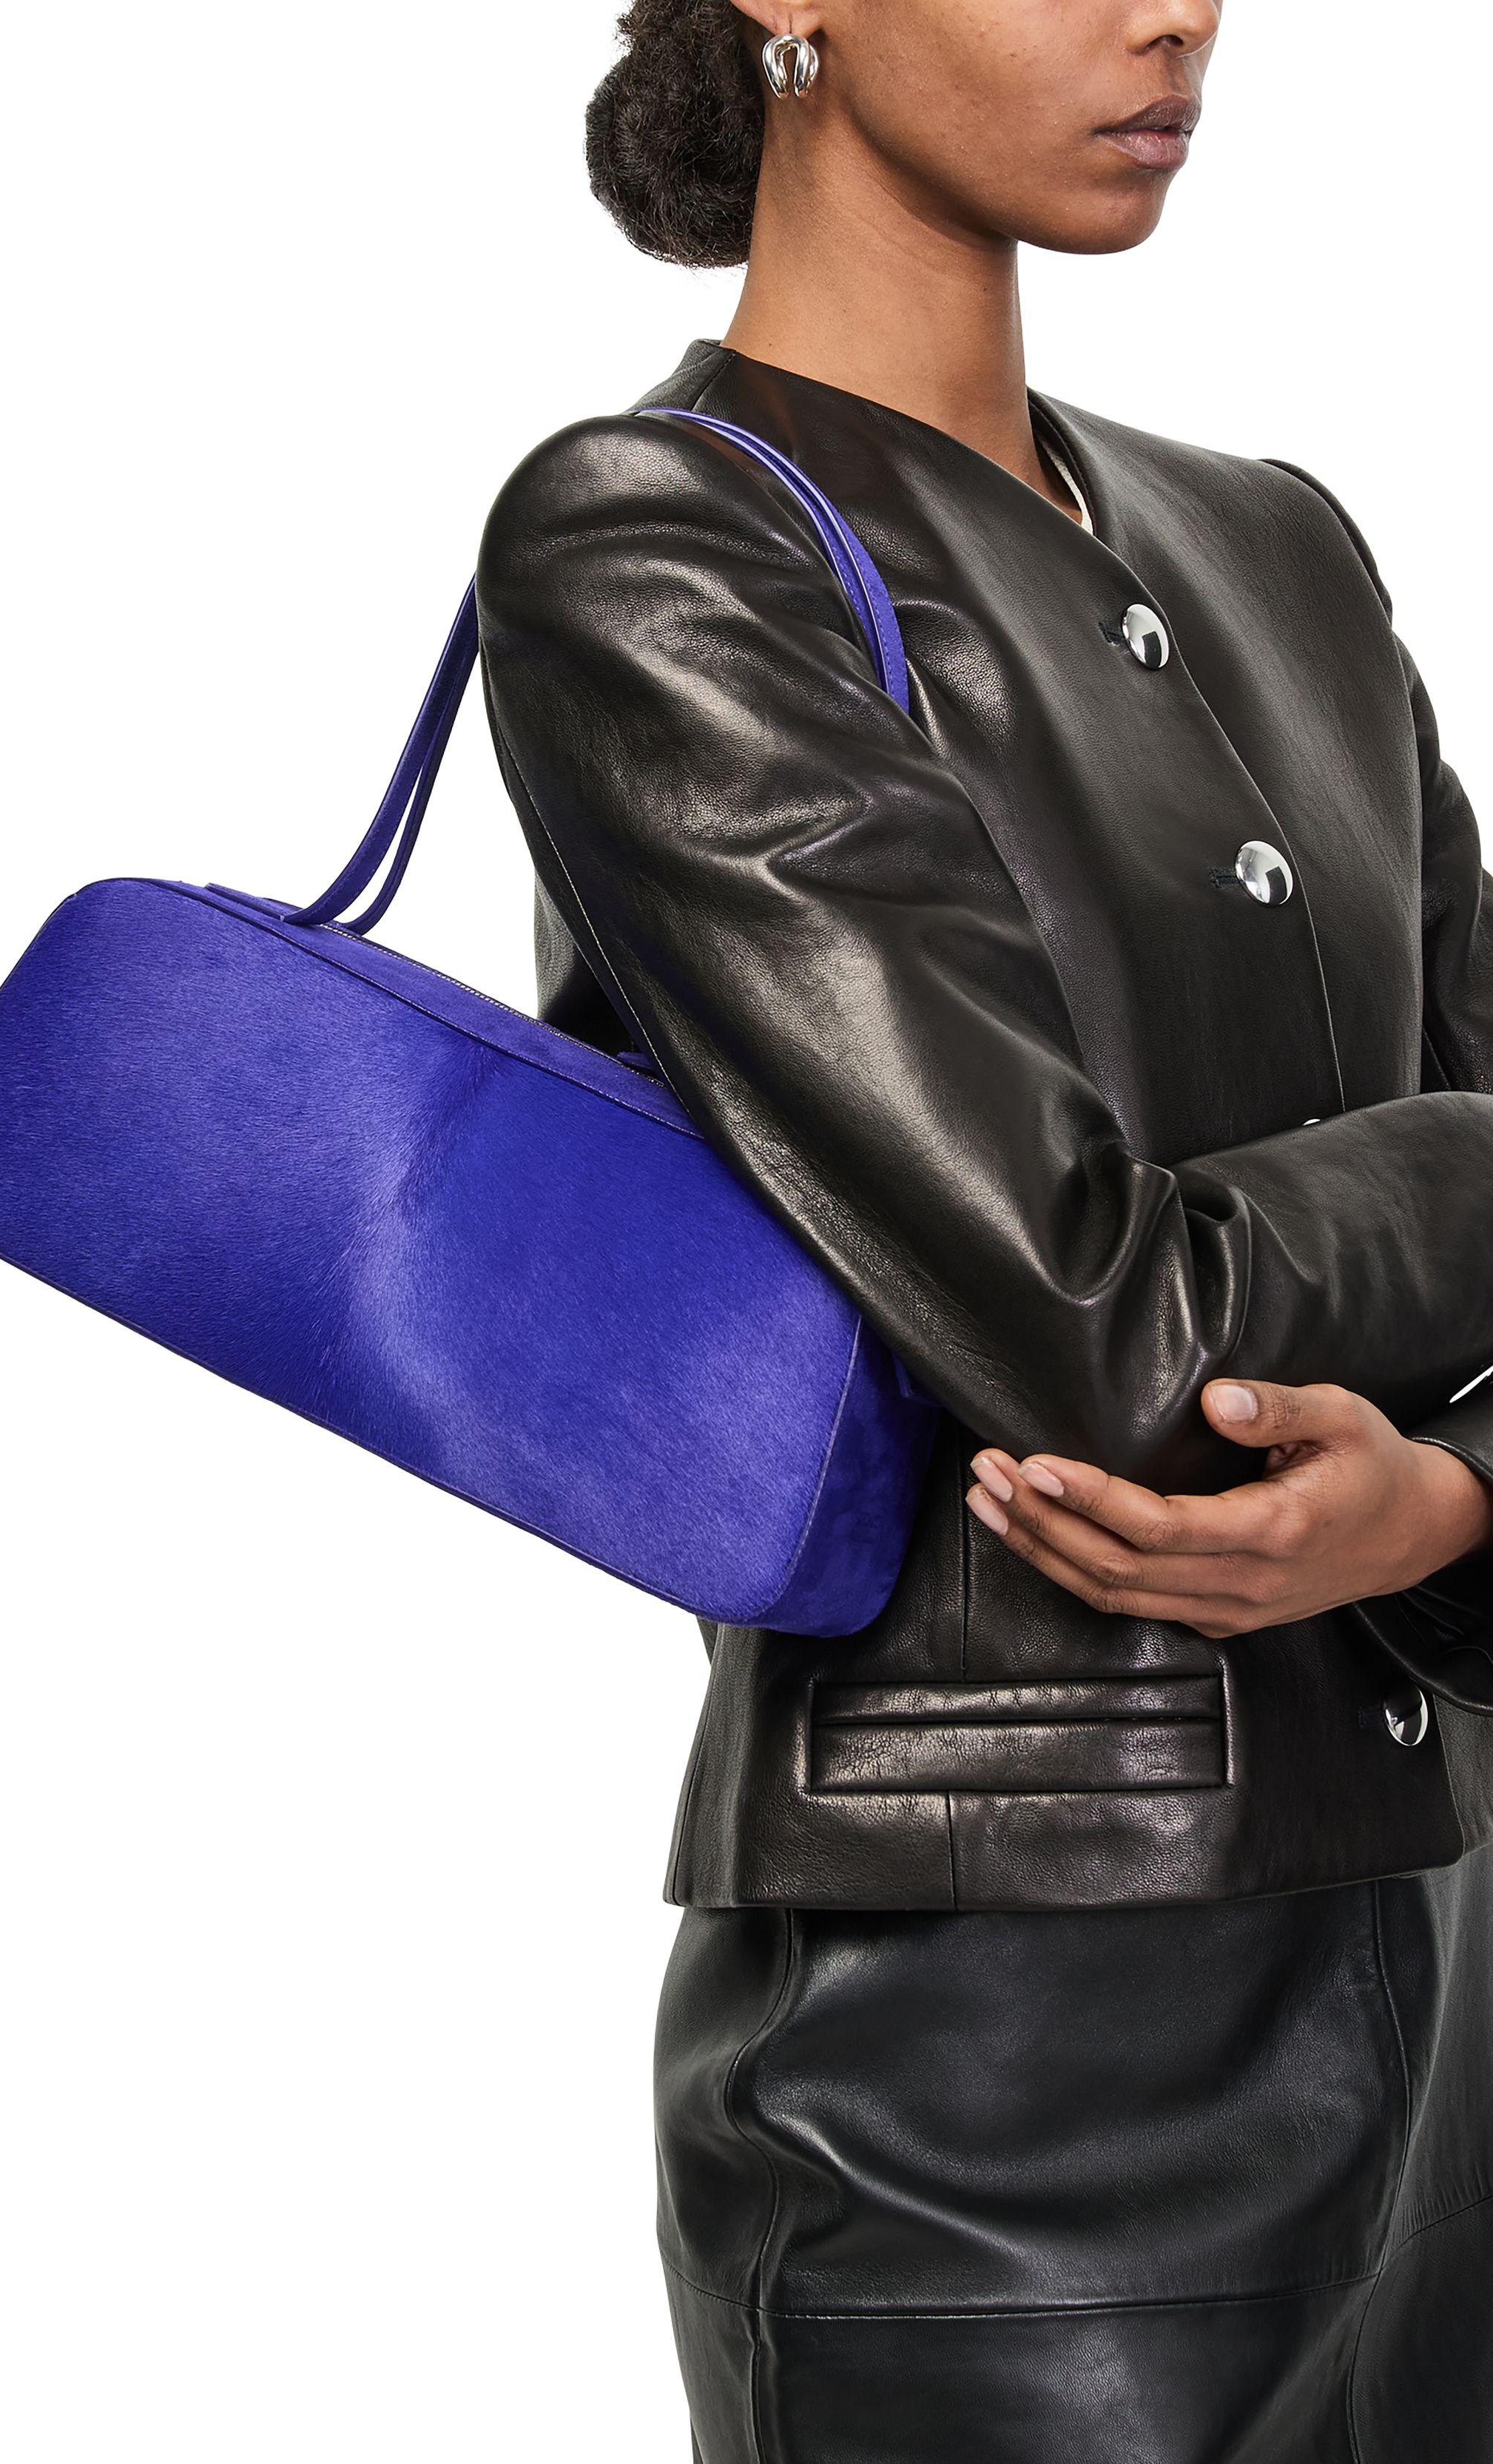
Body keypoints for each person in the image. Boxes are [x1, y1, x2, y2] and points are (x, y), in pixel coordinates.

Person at [473, 1, 1493, 2457]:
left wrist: (1455, 1502)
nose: (1176, 12)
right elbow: (1102, 1318)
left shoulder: (1278, 540)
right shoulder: (657, 543)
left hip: (1447, 1976)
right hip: (1006, 2096)